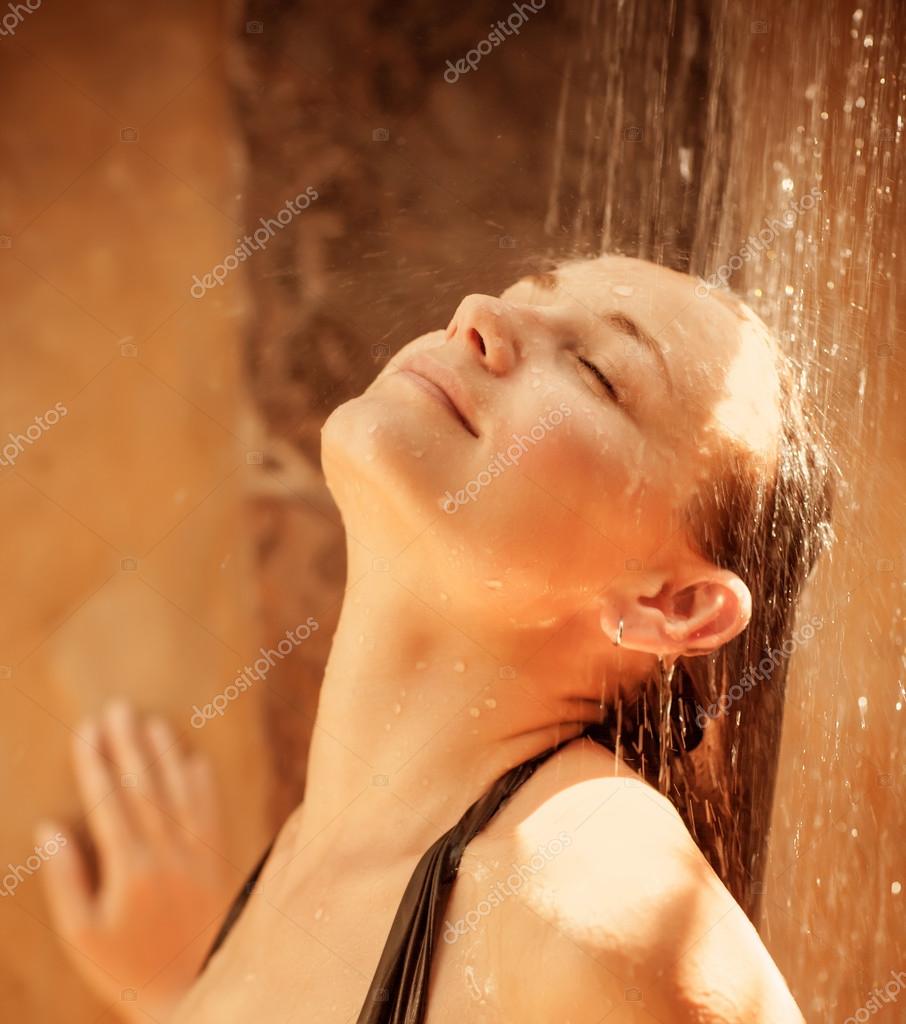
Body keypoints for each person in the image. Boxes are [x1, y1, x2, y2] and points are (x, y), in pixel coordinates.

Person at [41, 255, 832, 1022]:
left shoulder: (600, 911)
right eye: (523, 293)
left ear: (675, 605)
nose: (477, 316)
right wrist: (183, 998)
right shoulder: (322, 852)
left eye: (596, 370)